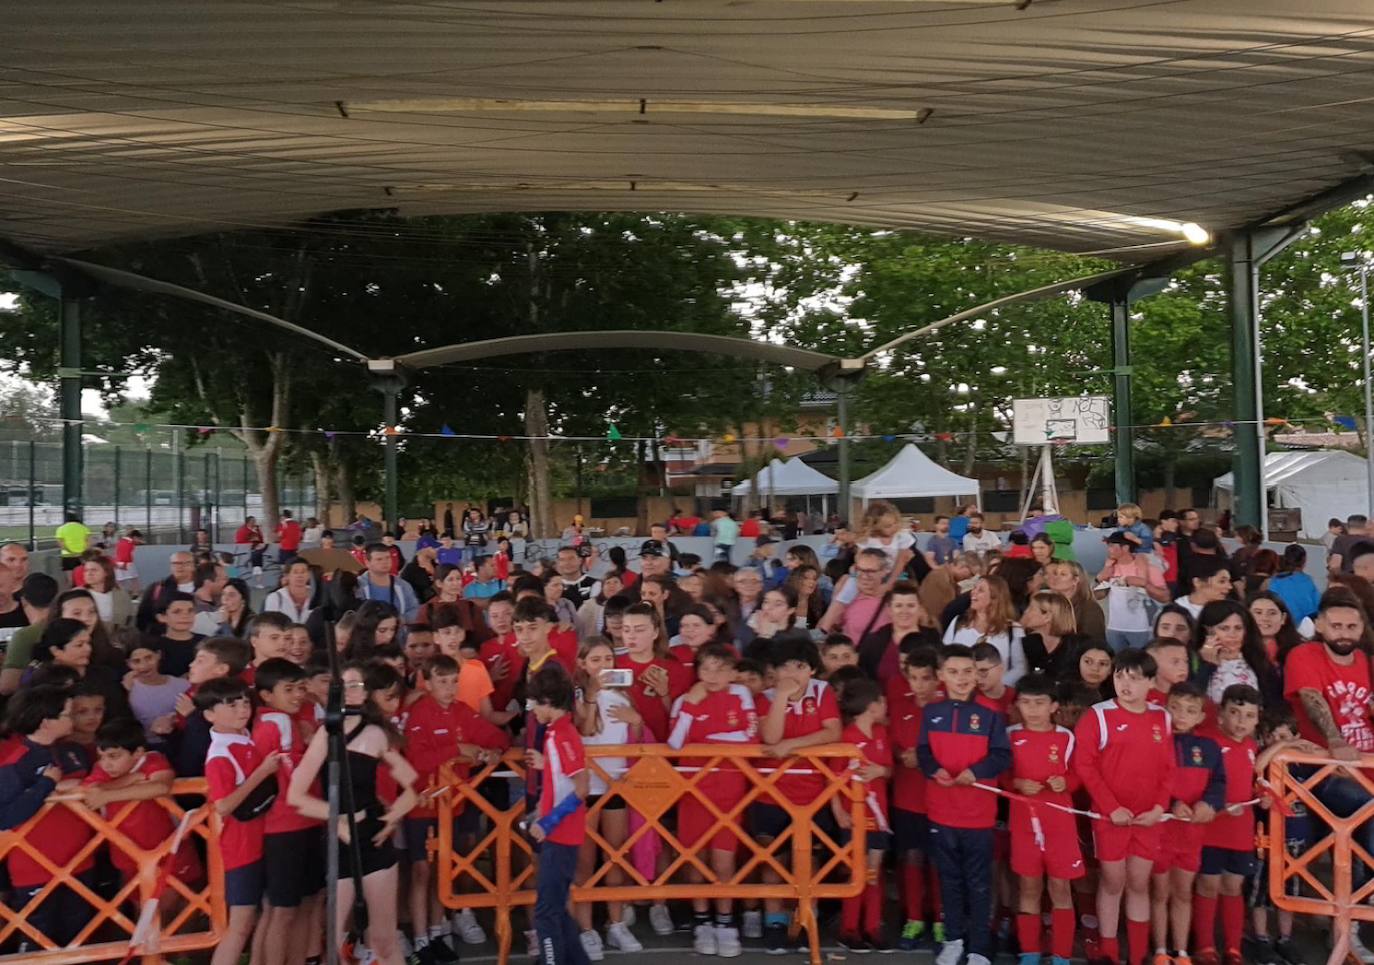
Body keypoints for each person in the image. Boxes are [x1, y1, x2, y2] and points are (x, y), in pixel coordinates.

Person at [289, 662, 419, 965]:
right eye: (344, 686)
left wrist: (393, 816)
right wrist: (337, 818)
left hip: (373, 836)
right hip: (340, 840)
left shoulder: (377, 734)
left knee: (384, 938)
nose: (350, 692)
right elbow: (296, 795)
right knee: (334, 938)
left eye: (357, 686)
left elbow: (411, 785)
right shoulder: (326, 735)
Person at [403, 654, 510, 964]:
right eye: (442, 681)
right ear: (427, 683)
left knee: (443, 871)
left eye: (454, 682)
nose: (449, 688)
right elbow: (416, 762)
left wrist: (492, 753)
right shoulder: (418, 713)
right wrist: (457, 751)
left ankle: (437, 933)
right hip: (422, 805)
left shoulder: (463, 711)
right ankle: (421, 938)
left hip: (455, 805)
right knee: (421, 872)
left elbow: (497, 737)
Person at [1072, 649, 1175, 965]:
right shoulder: (1098, 716)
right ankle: (1109, 952)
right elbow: (1084, 765)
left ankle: (1139, 953)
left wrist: (1159, 807)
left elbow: (1169, 768)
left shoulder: (1162, 717)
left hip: (1148, 818)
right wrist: (1111, 807)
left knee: (1138, 883)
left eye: (1133, 678)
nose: (1125, 685)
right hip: (1110, 818)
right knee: (1113, 880)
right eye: (1119, 676)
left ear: (1150, 683)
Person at [917, 643, 1011, 965]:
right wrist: (935, 769)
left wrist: (976, 772)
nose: (961, 678)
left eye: (968, 672)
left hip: (979, 815)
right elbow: (923, 752)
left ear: (977, 675)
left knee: (979, 882)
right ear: (941, 675)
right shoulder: (931, 713)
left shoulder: (990, 716)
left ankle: (980, 947)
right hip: (942, 812)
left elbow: (1002, 756)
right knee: (949, 880)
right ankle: (954, 939)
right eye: (953, 672)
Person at [668, 642, 759, 958]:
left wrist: (706, 741)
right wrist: (691, 706)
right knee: (696, 859)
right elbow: (675, 744)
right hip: (693, 791)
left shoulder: (741, 695)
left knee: (723, 860)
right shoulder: (685, 699)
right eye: (706, 668)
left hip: (729, 792)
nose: (712, 675)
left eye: (721, 668)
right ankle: (702, 921)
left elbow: (749, 738)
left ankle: (725, 922)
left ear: (733, 672)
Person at [754, 632, 842, 953]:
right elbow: (770, 734)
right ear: (774, 670)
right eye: (785, 666)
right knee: (772, 861)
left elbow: (833, 731)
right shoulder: (764, 697)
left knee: (810, 860)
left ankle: (806, 920)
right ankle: (774, 924)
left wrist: (790, 746)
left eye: (800, 665)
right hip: (769, 793)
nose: (792, 673)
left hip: (813, 793)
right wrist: (781, 698)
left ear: (813, 670)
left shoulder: (823, 692)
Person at [199, 676, 284, 965]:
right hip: (241, 847)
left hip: (261, 839)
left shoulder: (243, 739)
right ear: (209, 714)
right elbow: (222, 805)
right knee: (240, 923)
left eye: (245, 702)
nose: (242, 709)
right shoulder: (220, 754)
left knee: (260, 916)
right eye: (231, 704)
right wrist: (260, 773)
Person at [572, 639, 644, 959]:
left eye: (608, 658)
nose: (603, 664)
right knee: (585, 861)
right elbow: (585, 731)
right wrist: (590, 695)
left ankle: (616, 924)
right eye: (596, 659)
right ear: (583, 664)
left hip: (616, 784)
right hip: (587, 787)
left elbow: (637, 740)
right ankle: (586, 929)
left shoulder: (622, 695)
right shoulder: (578, 695)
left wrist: (637, 721)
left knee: (617, 854)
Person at [1006, 673, 1083, 965]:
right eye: (1026, 703)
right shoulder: (1011, 735)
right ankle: (1030, 953)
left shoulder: (1066, 737)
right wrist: (1016, 783)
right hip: (1024, 825)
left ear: (1053, 706)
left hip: (1060, 826)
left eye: (1039, 703)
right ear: (1018, 705)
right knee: (1028, 887)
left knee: (1061, 888)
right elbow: (1002, 777)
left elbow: (1078, 775)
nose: (1033, 710)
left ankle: (1061, 956)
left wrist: (1067, 782)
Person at [251, 659, 324, 965]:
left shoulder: (286, 721)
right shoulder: (275, 724)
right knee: (283, 911)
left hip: (302, 823)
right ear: (267, 695)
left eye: (300, 688)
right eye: (289, 689)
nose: (297, 695)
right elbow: (294, 780)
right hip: (285, 827)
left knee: (301, 905)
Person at [1150, 681, 1224, 965]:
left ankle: (1181, 953)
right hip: (1161, 830)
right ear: (1164, 709)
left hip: (1191, 833)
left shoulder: (1209, 747)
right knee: (1159, 891)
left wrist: (1209, 804)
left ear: (1201, 716)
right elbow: (1147, 782)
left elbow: (1219, 782)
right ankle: (1159, 950)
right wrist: (1170, 805)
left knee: (1183, 892)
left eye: (1190, 710)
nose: (1181, 715)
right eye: (1175, 708)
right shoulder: (1156, 742)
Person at [1190, 684, 1262, 965]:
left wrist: (1263, 797)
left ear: (1257, 719)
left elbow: (1255, 782)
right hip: (1210, 827)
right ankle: (1205, 947)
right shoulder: (1206, 742)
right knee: (1208, 884)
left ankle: (1234, 948)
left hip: (1241, 830)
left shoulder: (1253, 746)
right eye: (1234, 713)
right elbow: (1194, 782)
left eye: (1248, 715)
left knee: (1233, 886)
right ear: (1220, 715)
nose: (1241, 721)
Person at [526, 664, 593, 965]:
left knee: (546, 912)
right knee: (556, 908)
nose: (531, 710)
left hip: (560, 834)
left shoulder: (562, 735)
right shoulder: (557, 733)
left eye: (534, 703)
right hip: (561, 833)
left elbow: (581, 787)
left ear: (548, 702)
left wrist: (548, 822)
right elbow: (564, 777)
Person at [833, 677, 894, 954]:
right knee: (854, 873)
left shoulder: (881, 734)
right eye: (881, 701)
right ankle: (849, 928)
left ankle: (872, 927)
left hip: (878, 816)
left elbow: (890, 770)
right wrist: (837, 812)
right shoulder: (846, 738)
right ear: (871, 706)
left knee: (873, 873)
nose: (885, 705)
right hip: (852, 815)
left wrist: (880, 771)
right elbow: (832, 779)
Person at [889, 642, 942, 949]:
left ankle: (939, 920)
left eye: (926, 678)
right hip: (907, 797)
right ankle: (913, 919)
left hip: (938, 798)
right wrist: (900, 754)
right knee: (910, 857)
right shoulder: (900, 707)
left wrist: (925, 758)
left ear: (938, 679)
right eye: (914, 678)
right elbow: (891, 745)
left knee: (937, 860)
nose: (919, 685)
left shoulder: (946, 709)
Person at [942, 575, 1026, 684]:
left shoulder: (1013, 630)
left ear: (995, 598)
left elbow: (1020, 668)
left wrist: (995, 684)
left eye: (980, 590)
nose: (973, 592)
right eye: (974, 588)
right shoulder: (958, 622)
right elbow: (944, 656)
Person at [1096, 532, 1170, 652]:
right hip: (1114, 628)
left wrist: (1145, 584)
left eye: (1111, 545)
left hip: (1141, 629)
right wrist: (1101, 577)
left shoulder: (1148, 568)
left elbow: (1165, 597)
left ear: (1125, 547)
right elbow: (1097, 596)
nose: (1108, 549)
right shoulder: (1110, 568)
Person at [1019, 590, 1078, 679]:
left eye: (1031, 608)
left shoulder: (1072, 645)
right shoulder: (1024, 641)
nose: (1026, 612)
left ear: (1047, 616)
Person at [357, 542, 421, 622]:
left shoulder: (403, 585)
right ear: (367, 562)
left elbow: (414, 608)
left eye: (388, 558)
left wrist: (401, 620)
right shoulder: (358, 585)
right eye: (379, 559)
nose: (385, 562)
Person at [1268, 544, 1319, 622]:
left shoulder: (1275, 580)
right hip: (1303, 627)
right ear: (1304, 560)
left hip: (1281, 624)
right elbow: (1314, 609)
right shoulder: (1307, 581)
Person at [264, 558, 316, 624]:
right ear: (287, 576)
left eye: (303, 572)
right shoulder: (275, 597)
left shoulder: (317, 594)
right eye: (295, 572)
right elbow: (270, 624)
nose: (300, 576)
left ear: (309, 574)